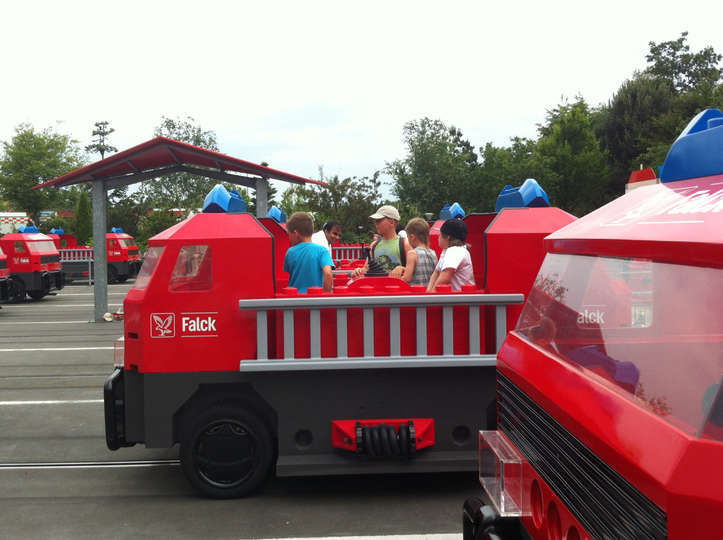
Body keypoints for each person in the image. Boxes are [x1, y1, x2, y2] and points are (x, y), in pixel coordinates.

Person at [352, 205, 411, 277]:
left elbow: (415, 271)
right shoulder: (373, 245)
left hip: (398, 284)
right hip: (377, 284)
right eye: (375, 221)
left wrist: (402, 269)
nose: (376, 223)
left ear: (392, 222)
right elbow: (367, 268)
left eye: (379, 220)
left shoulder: (405, 244)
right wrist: (358, 271)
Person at [283, 212, 333, 293]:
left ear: (295, 233)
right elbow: (328, 273)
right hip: (314, 298)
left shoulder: (290, 252)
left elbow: (287, 275)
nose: (289, 238)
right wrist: (325, 295)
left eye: (289, 234)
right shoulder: (322, 251)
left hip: (294, 298)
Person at [427, 218, 475, 291]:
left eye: (440, 234)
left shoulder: (455, 251)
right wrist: (428, 292)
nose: (438, 237)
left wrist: (431, 296)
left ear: (448, 237)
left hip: (460, 297)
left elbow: (444, 278)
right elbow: (436, 273)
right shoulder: (446, 251)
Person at [391, 217, 437, 286]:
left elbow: (407, 278)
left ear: (412, 237)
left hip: (415, 291)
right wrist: (404, 269)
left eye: (407, 237)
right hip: (428, 291)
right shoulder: (433, 253)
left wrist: (395, 280)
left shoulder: (412, 253)